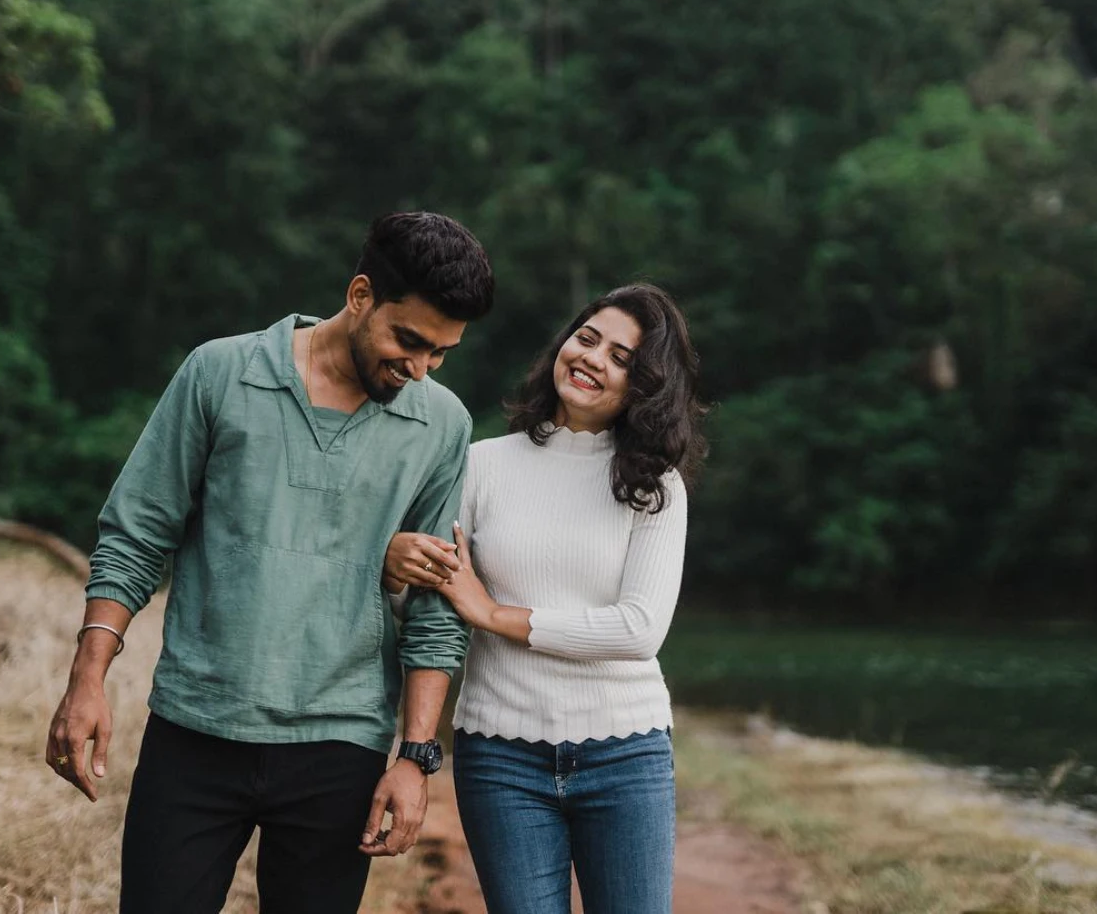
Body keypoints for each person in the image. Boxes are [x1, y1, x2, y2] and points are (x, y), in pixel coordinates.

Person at [45, 212, 495, 914]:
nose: (420, 368)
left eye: (442, 353)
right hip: (197, 726)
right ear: (359, 295)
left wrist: (415, 757)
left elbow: (436, 610)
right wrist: (87, 678)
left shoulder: (443, 425)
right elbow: (137, 532)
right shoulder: (221, 373)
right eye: (409, 341)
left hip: (340, 744)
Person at [384, 283, 707, 914]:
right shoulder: (480, 465)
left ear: (645, 385)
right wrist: (397, 569)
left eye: (622, 358)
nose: (593, 359)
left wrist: (494, 615)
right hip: (501, 758)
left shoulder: (656, 487)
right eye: (587, 339)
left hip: (627, 754)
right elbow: (428, 601)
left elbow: (638, 630)